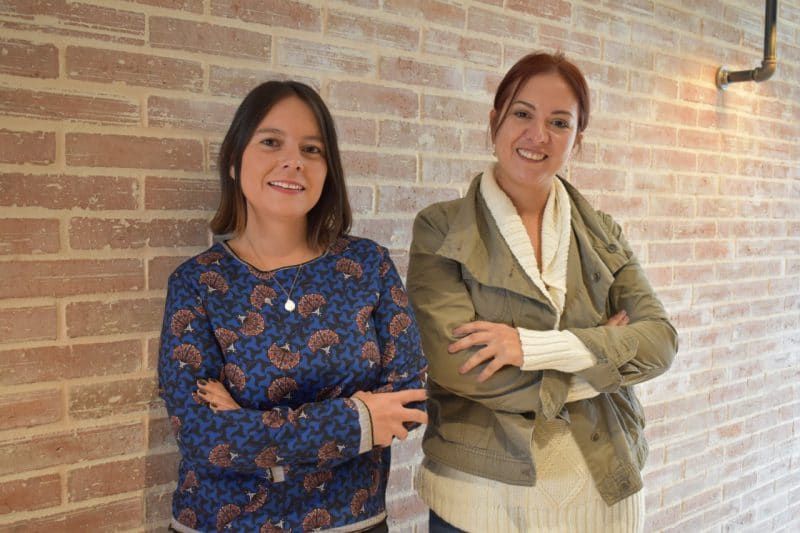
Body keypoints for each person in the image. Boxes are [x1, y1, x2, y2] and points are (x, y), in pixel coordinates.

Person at [406, 52, 678, 532]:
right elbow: (460, 365)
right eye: (522, 114)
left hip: (601, 495)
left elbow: (659, 342)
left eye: (559, 122)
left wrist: (528, 347)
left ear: (578, 139)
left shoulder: (604, 233)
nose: (538, 135)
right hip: (478, 501)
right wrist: (601, 365)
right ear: (495, 121)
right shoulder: (440, 228)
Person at [158, 80, 428, 533]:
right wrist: (360, 419)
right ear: (233, 160)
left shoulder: (368, 265)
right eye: (271, 142)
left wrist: (247, 424)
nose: (293, 161)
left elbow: (409, 401)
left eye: (312, 149)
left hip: (352, 523)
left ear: (328, 169)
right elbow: (202, 436)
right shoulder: (197, 282)